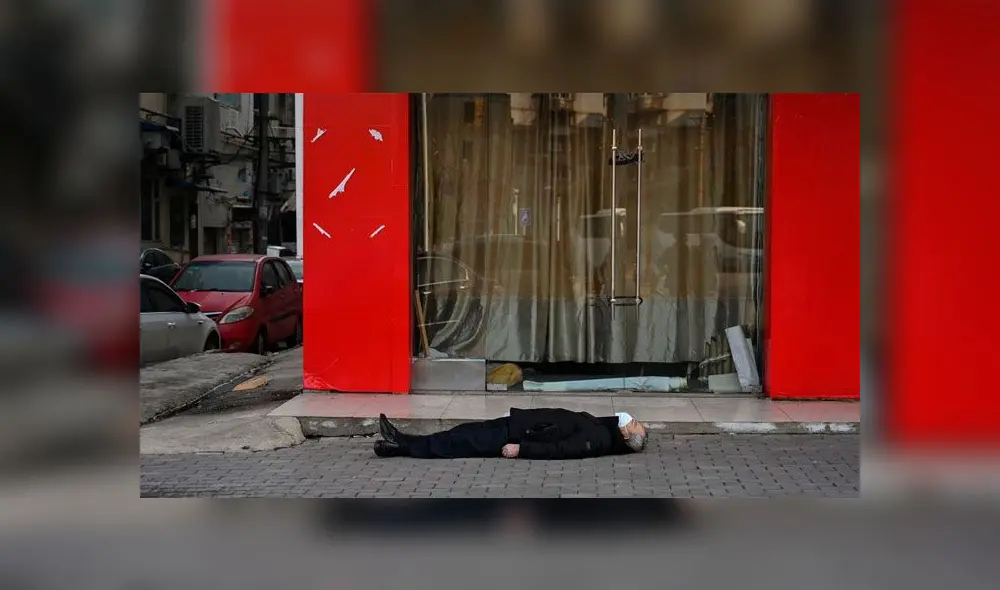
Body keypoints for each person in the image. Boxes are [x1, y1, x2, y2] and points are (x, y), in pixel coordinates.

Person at [373, 408, 648, 460]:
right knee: (461, 433)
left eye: (634, 423)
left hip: (519, 435)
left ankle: (400, 446)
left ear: (627, 436)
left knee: (458, 443)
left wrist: (522, 448)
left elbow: (563, 450)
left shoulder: (599, 440)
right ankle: (402, 440)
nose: (631, 419)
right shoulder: (605, 429)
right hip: (518, 424)